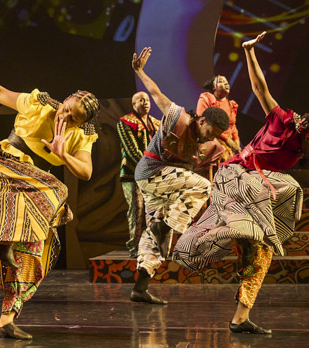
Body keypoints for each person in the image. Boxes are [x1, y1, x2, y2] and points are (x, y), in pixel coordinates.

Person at [0, 41, 99, 339]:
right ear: (66, 99)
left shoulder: (80, 135)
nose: (66, 118)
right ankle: (1, 241)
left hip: (30, 190)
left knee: (33, 255)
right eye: (68, 110)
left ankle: (7, 318)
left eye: (75, 119)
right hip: (4, 167)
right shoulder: (39, 103)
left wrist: (62, 153)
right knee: (57, 189)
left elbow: (85, 171)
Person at [173, 31, 308, 334]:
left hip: (255, 188)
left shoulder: (300, 147)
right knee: (258, 227)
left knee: (261, 253)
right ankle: (202, 239)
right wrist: (249, 52)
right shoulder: (283, 121)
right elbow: (260, 88)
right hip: (235, 179)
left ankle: (240, 316)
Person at [129, 47, 229, 305]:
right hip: (150, 172)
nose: (211, 136)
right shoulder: (178, 117)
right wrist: (140, 70)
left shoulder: (203, 145)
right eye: (211, 130)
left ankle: (140, 287)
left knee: (157, 239)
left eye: (217, 135)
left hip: (161, 184)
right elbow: (156, 93)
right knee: (204, 187)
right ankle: (167, 225)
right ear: (203, 120)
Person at [117, 91, 160, 257]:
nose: (146, 102)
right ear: (134, 105)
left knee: (153, 211)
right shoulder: (125, 122)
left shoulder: (156, 123)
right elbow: (131, 150)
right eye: (141, 100)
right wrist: (149, 166)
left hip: (153, 174)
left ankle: (152, 246)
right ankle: (135, 247)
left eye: (148, 100)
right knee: (137, 210)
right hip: (132, 173)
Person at [197, 74, 241, 161]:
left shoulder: (231, 104)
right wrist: (226, 139)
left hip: (228, 145)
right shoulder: (206, 98)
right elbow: (202, 121)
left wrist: (236, 142)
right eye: (221, 82)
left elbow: (233, 126)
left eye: (226, 82)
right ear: (214, 87)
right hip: (211, 140)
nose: (226, 84)